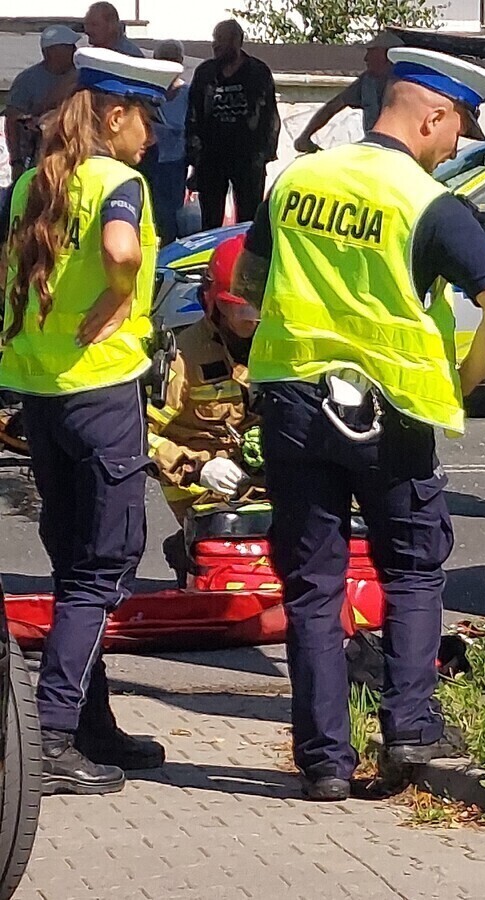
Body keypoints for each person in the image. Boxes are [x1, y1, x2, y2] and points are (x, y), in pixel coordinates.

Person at [231, 47, 485, 801]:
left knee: (312, 585)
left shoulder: (298, 179)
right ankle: (410, 728)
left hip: (296, 403)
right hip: (391, 413)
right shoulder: (425, 201)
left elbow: (246, 284)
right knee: (412, 572)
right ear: (429, 116)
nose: (457, 144)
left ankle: (323, 762)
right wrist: (462, 379)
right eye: (456, 127)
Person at [0, 47, 181, 794]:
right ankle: (49, 737)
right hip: (100, 393)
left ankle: (90, 723)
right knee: (103, 571)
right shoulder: (116, 181)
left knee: (74, 564)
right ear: (113, 115)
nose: (153, 137)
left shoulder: (31, 186)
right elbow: (119, 250)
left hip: (40, 396)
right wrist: (117, 300)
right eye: (147, 119)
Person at [146, 235, 262, 580]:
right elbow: (136, 437)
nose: (254, 320)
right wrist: (199, 468)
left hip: (257, 472)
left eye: (262, 307)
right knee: (234, 549)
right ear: (214, 304)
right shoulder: (184, 357)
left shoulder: (274, 346)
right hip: (198, 481)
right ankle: (189, 545)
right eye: (244, 309)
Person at [186, 19, 280, 229]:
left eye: (220, 39)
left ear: (237, 41)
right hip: (212, 159)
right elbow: (194, 115)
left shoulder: (258, 72)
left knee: (249, 220)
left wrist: (264, 154)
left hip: (247, 159)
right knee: (210, 220)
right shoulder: (206, 73)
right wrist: (195, 156)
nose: (215, 45)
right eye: (214, 39)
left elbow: (270, 116)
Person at [293, 31, 403, 153]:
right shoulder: (367, 81)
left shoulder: (405, 83)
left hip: (400, 153)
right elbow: (333, 106)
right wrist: (305, 136)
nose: (365, 58)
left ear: (387, 55)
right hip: (373, 150)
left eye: (371, 52)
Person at [4, 25, 79, 183]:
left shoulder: (81, 76)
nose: (75, 50)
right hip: (35, 158)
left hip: (74, 156)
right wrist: (16, 161)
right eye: (69, 47)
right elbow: (12, 121)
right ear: (50, 52)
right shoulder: (27, 80)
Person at [144, 40, 190, 245]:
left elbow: (188, 125)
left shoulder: (188, 93)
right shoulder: (147, 92)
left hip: (175, 161)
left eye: (172, 61)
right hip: (147, 158)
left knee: (170, 215)